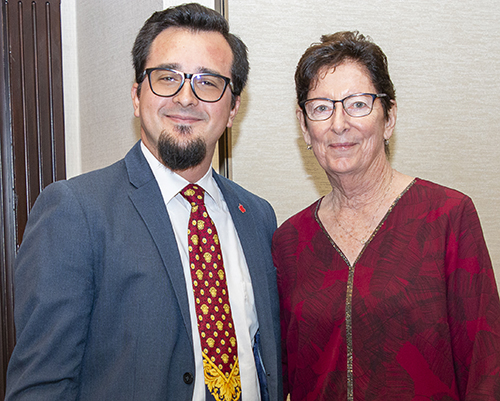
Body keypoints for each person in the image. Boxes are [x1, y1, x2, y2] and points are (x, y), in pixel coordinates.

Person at [5, 4, 282, 401]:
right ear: (137, 96)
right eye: (167, 78)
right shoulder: (75, 212)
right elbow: (40, 388)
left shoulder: (257, 216)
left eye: (207, 82)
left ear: (233, 107)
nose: (186, 97)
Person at [272, 31, 500, 400]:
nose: (339, 123)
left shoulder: (448, 218)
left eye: (358, 104)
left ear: (389, 116)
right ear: (304, 126)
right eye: (321, 107)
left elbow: (487, 370)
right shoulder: (289, 242)